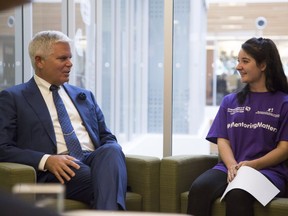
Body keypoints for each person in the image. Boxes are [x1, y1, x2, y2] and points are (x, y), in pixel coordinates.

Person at [0, 30, 127, 211]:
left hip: (94, 160)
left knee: (112, 149)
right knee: (109, 179)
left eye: (70, 57)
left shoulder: (85, 96)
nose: (70, 64)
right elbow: (3, 148)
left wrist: (107, 162)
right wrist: (47, 160)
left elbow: (107, 137)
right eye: (62, 58)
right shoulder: (13, 97)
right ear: (39, 61)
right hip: (58, 170)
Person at [187, 37, 288, 216]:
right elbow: (222, 139)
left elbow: (284, 149)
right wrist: (232, 165)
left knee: (237, 194)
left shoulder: (284, 103)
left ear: (263, 65)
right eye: (238, 61)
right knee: (199, 188)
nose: (238, 67)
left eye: (245, 61)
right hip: (229, 167)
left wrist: (252, 165)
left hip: (268, 172)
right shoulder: (229, 101)